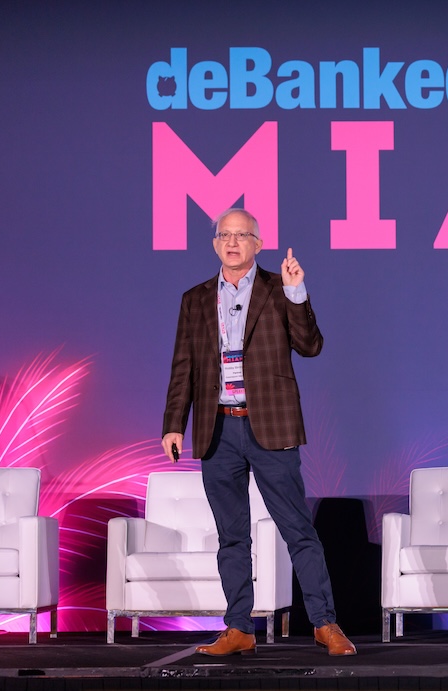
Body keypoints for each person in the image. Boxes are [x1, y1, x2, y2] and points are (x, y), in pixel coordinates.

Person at [161, 208, 356, 657]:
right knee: (231, 536)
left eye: (242, 235)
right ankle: (239, 628)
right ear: (215, 243)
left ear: (258, 243)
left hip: (270, 425)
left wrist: (296, 292)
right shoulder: (195, 299)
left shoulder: (277, 288)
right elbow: (183, 367)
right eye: (224, 235)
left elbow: (310, 346)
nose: (232, 242)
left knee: (297, 530)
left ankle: (325, 623)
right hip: (217, 429)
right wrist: (174, 424)